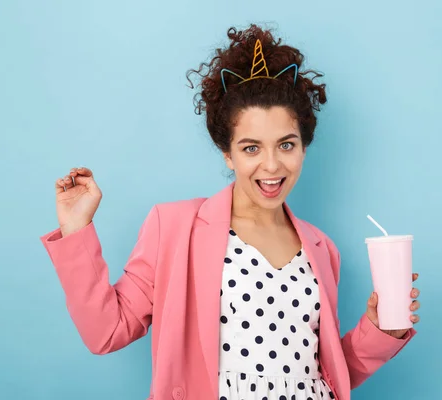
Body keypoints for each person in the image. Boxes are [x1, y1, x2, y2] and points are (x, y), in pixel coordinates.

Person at [40, 24, 421, 400]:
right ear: (228, 152)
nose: (271, 166)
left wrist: (380, 328)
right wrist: (76, 228)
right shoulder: (175, 228)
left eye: (286, 145)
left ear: (304, 147)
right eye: (251, 148)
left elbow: (326, 373)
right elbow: (107, 331)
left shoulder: (322, 248)